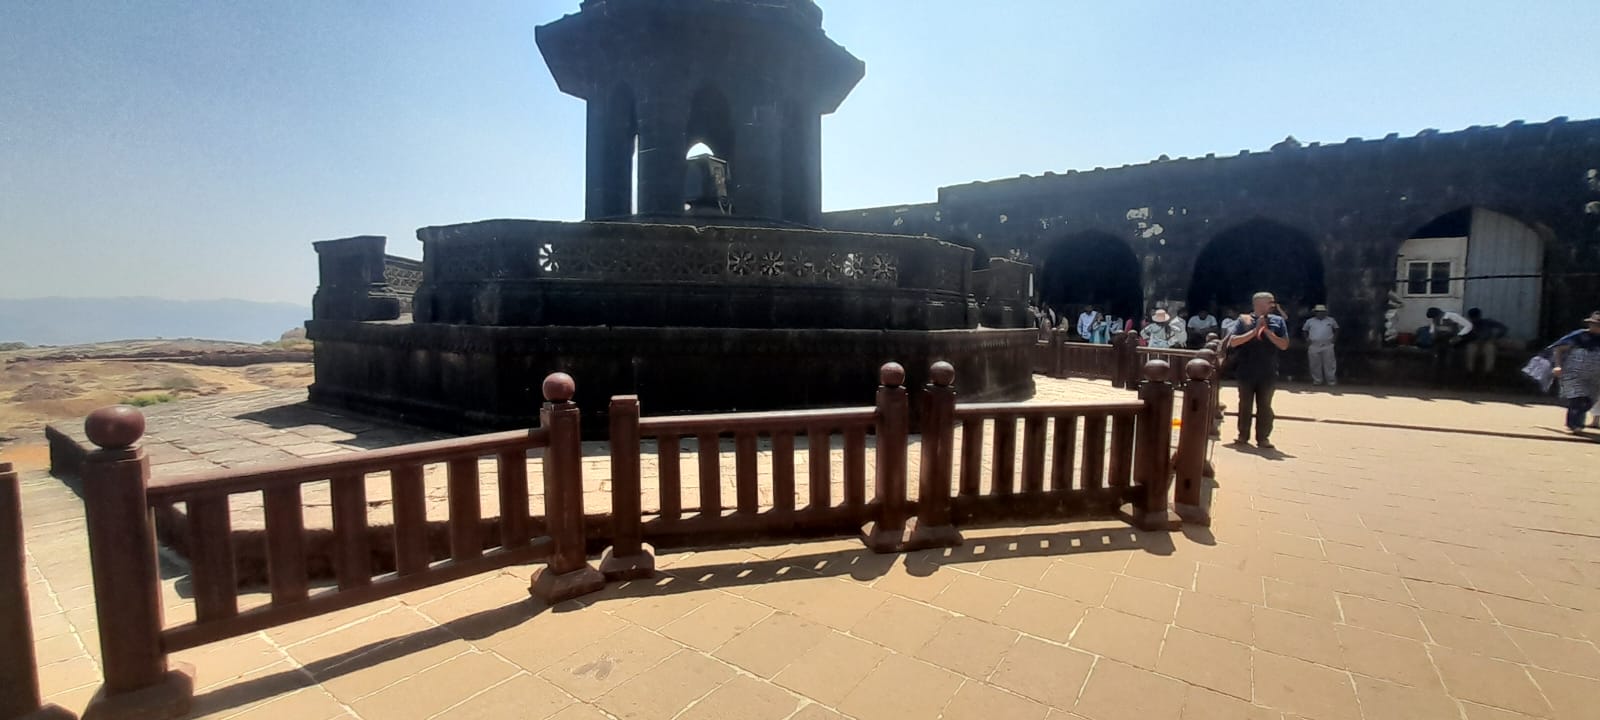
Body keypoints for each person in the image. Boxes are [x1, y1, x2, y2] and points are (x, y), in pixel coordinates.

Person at [1228, 291, 1290, 448]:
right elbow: (1233, 342)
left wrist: (1267, 331)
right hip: (1246, 370)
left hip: (1268, 371)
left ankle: (1263, 438)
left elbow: (1284, 345)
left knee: (1265, 406)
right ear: (1258, 304)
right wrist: (1254, 331)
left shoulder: (1278, 321)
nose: (1273, 305)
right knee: (1245, 405)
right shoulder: (1243, 320)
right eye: (1270, 302)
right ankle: (1243, 436)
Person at [1548, 312, 1600, 433]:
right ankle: (1574, 424)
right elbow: (1559, 348)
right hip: (1574, 373)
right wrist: (1558, 366)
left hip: (1595, 377)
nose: (1595, 327)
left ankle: (1576, 423)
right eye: (1593, 324)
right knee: (1577, 399)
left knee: (1588, 401)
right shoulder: (1580, 335)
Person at [1425, 307, 1474, 377]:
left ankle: (1448, 379)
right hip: (1439, 341)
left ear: (1440, 314)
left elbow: (1469, 325)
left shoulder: (1453, 316)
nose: (1434, 319)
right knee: (1436, 360)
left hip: (1452, 341)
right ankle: (1436, 378)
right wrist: (1432, 335)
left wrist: (1459, 336)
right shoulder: (1435, 319)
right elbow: (1432, 330)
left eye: (1435, 317)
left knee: (1449, 360)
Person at [1301, 304, 1340, 386]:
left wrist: (1334, 339)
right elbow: (1304, 330)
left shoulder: (1331, 320)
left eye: (1322, 312)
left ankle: (1331, 380)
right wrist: (1307, 339)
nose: (1320, 313)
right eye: (1318, 312)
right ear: (1315, 313)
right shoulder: (1310, 321)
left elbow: (1336, 329)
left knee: (1330, 363)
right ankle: (1317, 380)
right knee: (1315, 363)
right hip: (1314, 344)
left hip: (1328, 344)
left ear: (1325, 312)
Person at [1464, 307, 1507, 377]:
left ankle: (1488, 373)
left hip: (1487, 342)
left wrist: (1495, 337)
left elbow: (1504, 328)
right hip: (1474, 344)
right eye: (1472, 318)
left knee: (1490, 348)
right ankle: (1469, 372)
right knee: (1470, 349)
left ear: (1479, 316)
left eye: (1476, 317)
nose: (1474, 320)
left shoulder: (1487, 322)